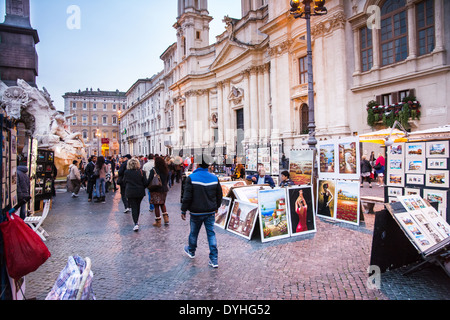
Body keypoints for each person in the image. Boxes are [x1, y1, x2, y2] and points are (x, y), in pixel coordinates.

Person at [181, 157, 223, 268]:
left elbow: (187, 196)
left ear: (198, 165)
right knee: (211, 234)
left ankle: (191, 250)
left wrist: (183, 209)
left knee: (194, 232)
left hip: (196, 211)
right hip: (209, 211)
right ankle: (214, 259)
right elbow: (219, 195)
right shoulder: (214, 178)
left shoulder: (192, 178)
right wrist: (217, 206)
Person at [123, 158, 149, 231]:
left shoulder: (127, 172)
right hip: (140, 192)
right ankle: (136, 220)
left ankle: (136, 222)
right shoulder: (141, 172)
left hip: (130, 191)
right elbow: (145, 183)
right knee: (137, 206)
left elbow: (124, 181)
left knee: (134, 206)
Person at [148, 156, 170, 227]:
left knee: (156, 205)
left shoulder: (153, 170)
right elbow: (168, 179)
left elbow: (149, 180)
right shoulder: (166, 170)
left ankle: (158, 221)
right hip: (164, 189)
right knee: (162, 203)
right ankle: (166, 219)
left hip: (156, 189)